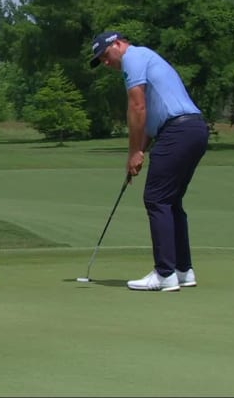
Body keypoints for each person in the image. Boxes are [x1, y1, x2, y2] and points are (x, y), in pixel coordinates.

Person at [89, 31, 209, 292]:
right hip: (193, 130)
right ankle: (183, 270)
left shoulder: (133, 58)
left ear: (118, 44)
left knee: (156, 199)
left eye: (105, 56)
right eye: (100, 61)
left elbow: (137, 107)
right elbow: (150, 123)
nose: (105, 63)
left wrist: (133, 152)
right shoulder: (144, 58)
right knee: (170, 201)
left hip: (178, 131)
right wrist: (139, 152)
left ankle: (164, 274)